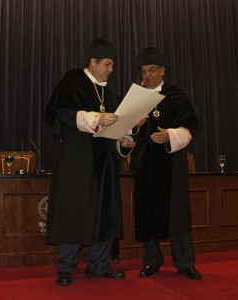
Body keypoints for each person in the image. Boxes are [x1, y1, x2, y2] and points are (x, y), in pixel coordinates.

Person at [45, 39, 125, 286]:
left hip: (105, 164)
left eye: (112, 65)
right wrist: (97, 118)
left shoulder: (110, 93)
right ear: (93, 62)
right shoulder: (73, 81)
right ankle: (66, 268)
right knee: (73, 210)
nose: (111, 70)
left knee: (104, 212)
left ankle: (99, 265)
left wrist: (125, 138)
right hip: (77, 159)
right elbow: (61, 114)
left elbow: (117, 126)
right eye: (108, 64)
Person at [123, 47, 203, 280]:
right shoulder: (135, 98)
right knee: (146, 212)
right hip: (144, 164)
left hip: (171, 164)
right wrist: (128, 137)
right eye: (143, 71)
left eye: (152, 70)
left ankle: (185, 262)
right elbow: (125, 133)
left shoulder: (177, 97)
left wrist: (170, 135)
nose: (147, 76)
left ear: (163, 71)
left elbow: (193, 128)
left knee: (176, 213)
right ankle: (152, 260)